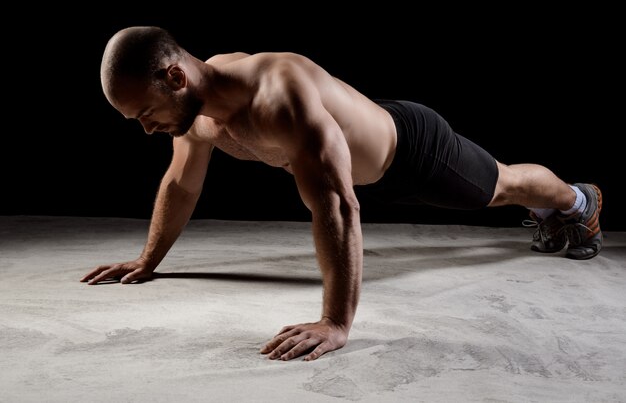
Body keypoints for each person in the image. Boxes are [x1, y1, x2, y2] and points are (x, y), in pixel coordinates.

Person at [81, 26, 603, 362]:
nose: (147, 130)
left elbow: (336, 204)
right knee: (497, 188)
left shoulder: (278, 94)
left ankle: (577, 203)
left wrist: (335, 322)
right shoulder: (198, 117)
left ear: (175, 76)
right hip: (361, 152)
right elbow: (180, 184)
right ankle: (559, 207)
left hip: (414, 155)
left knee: (501, 186)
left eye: (146, 115)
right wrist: (148, 260)